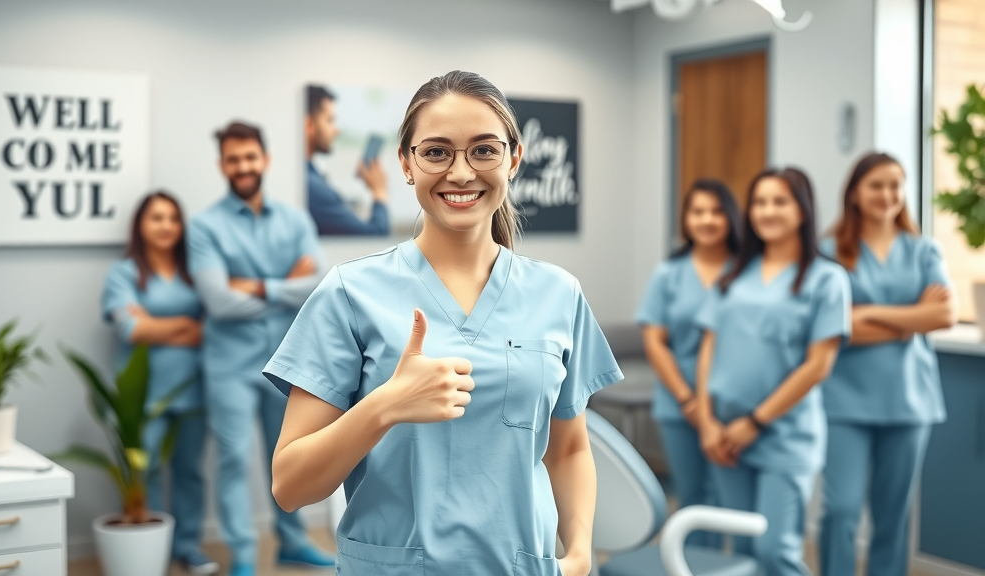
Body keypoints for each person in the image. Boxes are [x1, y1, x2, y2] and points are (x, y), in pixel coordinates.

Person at [264, 71, 623, 576]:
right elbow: (290, 486)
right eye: (436, 152)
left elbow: (567, 450)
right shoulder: (349, 294)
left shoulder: (559, 294)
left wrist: (580, 552)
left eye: (483, 150)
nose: (460, 173)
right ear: (406, 164)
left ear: (514, 159)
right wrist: (385, 405)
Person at [186, 121, 336, 576]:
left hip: (287, 363)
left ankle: (292, 543)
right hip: (228, 367)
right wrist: (285, 284)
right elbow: (218, 302)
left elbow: (319, 286)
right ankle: (245, 558)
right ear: (222, 165)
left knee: (289, 456)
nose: (243, 166)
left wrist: (253, 287)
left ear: (265, 160)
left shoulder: (294, 220)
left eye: (250, 157)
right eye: (233, 159)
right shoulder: (204, 227)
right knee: (233, 461)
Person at [695, 167, 851, 576]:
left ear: (803, 210)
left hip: (784, 436)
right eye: (760, 202)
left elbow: (819, 365)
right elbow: (709, 348)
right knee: (742, 553)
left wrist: (756, 421)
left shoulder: (827, 279)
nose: (767, 211)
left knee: (774, 552)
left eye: (779, 201)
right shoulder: (733, 275)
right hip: (725, 435)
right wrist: (707, 420)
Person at [819, 153, 956, 576]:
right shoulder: (829, 251)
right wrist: (910, 318)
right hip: (843, 402)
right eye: (877, 185)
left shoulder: (923, 250)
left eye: (896, 185)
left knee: (892, 519)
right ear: (855, 193)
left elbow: (944, 316)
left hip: (908, 401)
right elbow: (831, 327)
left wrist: (867, 315)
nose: (888, 194)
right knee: (840, 511)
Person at [101, 191, 218, 575]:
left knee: (189, 473)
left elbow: (211, 328)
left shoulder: (194, 271)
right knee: (144, 471)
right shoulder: (124, 274)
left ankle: (186, 546)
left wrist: (157, 325)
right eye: (156, 218)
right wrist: (185, 325)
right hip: (144, 397)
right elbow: (131, 328)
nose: (166, 226)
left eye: (172, 218)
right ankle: (145, 553)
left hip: (194, 391)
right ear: (140, 225)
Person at [636, 179, 742, 549]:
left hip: (736, 404)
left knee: (734, 503)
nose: (707, 220)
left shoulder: (748, 271)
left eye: (716, 211)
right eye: (698, 212)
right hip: (679, 405)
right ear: (686, 219)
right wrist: (688, 400)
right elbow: (655, 342)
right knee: (694, 497)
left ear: (730, 217)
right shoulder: (669, 274)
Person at [306, 85, 390, 235]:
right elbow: (376, 237)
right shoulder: (311, 186)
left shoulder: (311, 175)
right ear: (309, 125)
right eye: (330, 121)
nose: (337, 130)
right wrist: (379, 191)